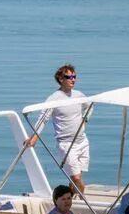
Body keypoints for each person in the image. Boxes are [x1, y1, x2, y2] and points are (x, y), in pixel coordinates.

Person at [25, 64, 90, 196]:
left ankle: (70, 203)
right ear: (60, 79)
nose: (72, 80)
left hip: (82, 142)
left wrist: (85, 119)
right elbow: (43, 118)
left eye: (74, 77)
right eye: (68, 77)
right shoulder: (54, 98)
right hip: (66, 144)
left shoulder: (79, 95)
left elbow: (90, 106)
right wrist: (34, 138)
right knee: (77, 179)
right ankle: (85, 201)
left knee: (74, 180)